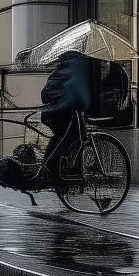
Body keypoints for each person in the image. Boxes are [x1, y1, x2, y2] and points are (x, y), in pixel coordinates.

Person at [39, 50, 94, 181]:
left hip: (50, 112)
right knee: (71, 138)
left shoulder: (62, 68)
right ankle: (55, 173)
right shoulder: (78, 68)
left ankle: (48, 170)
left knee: (59, 138)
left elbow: (44, 93)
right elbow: (81, 94)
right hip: (65, 112)